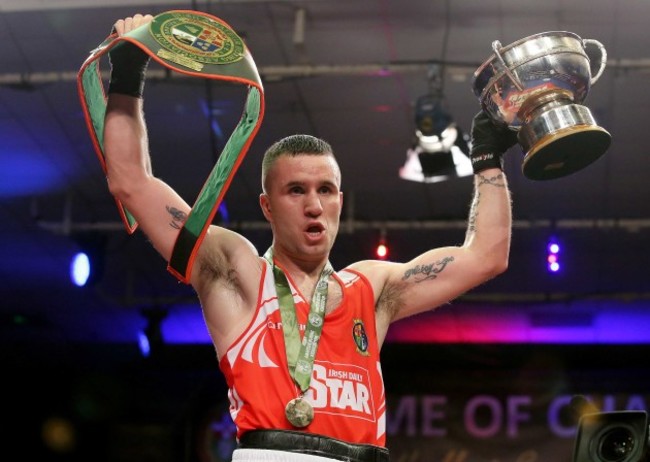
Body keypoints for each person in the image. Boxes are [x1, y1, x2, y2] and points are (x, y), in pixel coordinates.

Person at [104, 13, 518, 462]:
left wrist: (487, 156)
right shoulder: (236, 272)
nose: (314, 205)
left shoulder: (371, 289)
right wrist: (129, 71)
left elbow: (485, 257)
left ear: (340, 199)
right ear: (267, 205)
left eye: (325, 191)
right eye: (295, 191)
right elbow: (131, 182)